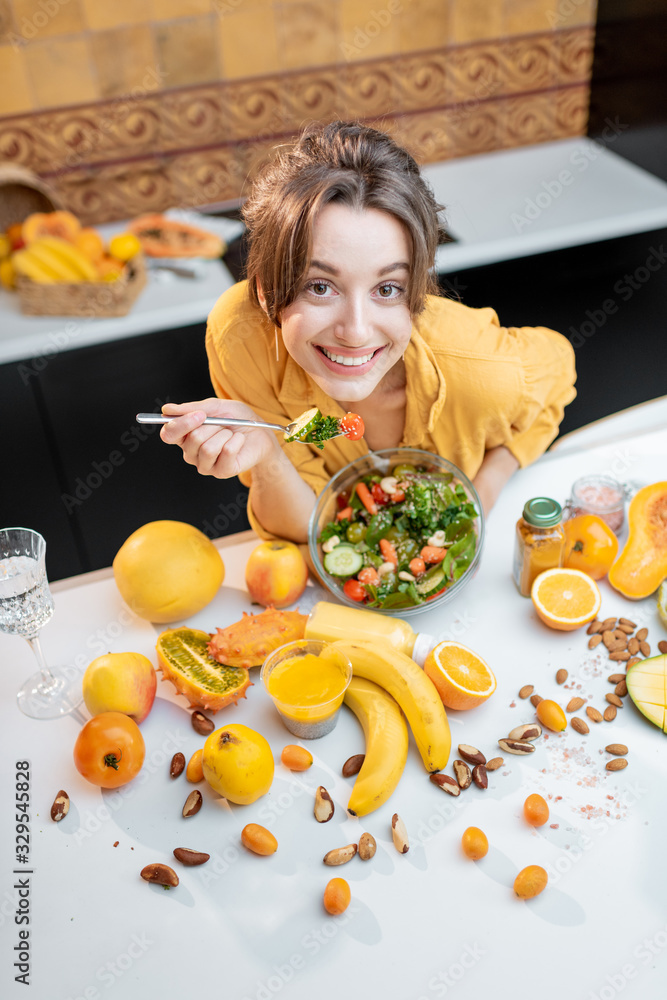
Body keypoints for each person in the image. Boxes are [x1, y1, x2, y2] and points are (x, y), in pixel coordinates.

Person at [160, 120, 576, 542]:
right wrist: (267, 456)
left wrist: (486, 487)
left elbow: (560, 368)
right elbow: (307, 529)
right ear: (268, 292)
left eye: (388, 288)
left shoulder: (482, 369)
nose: (356, 332)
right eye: (320, 287)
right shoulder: (241, 338)